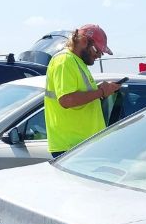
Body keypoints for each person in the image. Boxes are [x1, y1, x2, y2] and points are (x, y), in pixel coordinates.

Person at [44, 24, 121, 158]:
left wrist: (101, 90)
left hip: (81, 144)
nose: (98, 56)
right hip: (72, 146)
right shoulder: (65, 61)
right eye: (97, 51)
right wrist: (101, 92)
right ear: (84, 41)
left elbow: (78, 95)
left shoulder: (76, 62)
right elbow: (66, 100)